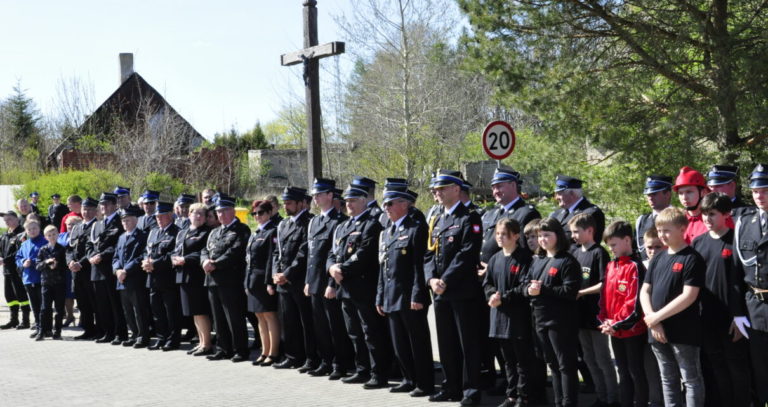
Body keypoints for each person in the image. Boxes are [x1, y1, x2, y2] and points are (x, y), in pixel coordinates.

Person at [423, 169, 484, 405]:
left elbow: (467, 254)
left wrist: (445, 280)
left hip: (461, 291)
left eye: (442, 188)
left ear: (456, 189)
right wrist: (431, 279)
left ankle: (471, 390)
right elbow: (429, 254)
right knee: (446, 342)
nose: (436, 193)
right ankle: (451, 387)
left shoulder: (469, 217)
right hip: (440, 291)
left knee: (467, 343)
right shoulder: (438, 220)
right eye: (435, 189)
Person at [327, 182, 392, 390]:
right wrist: (331, 268)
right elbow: (332, 253)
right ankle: (362, 369)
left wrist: (341, 269)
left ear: (364, 201)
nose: (349, 204)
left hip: (363, 288)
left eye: (353, 200)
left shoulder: (371, 224)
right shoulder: (342, 226)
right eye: (347, 201)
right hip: (345, 288)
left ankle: (378, 373)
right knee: (354, 332)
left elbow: (363, 255)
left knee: (370, 332)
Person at [640, 207, 705, 407]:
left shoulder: (692, 258)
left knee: (690, 379)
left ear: (682, 229)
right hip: (656, 329)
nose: (662, 235)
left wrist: (656, 317)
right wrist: (652, 320)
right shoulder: (658, 257)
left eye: (666, 230)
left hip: (683, 330)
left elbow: (689, 296)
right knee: (667, 378)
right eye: (659, 230)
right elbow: (645, 291)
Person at [692, 192, 751, 407]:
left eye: (713, 214)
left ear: (726, 214)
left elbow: (741, 283)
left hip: (732, 318)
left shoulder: (736, 241)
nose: (707, 219)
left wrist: (739, 316)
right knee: (716, 367)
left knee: (737, 368)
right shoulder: (698, 242)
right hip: (707, 317)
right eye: (704, 214)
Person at [376, 185, 434, 397]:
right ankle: (408, 379)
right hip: (391, 296)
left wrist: (418, 294)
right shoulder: (387, 232)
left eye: (390, 203)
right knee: (399, 343)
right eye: (385, 204)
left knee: (417, 342)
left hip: (410, 297)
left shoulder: (416, 228)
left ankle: (424, 383)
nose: (386, 208)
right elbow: (383, 268)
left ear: (404, 204)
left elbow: (419, 266)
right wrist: (380, 296)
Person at [525, 217, 581, 407]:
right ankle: (558, 402)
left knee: (566, 365)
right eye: (540, 235)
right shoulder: (538, 260)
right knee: (553, 365)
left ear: (558, 235)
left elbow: (570, 291)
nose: (542, 239)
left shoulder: (567, 261)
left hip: (560, 321)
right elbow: (526, 282)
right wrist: (529, 289)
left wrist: (543, 289)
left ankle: (568, 402)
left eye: (547, 235)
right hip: (540, 319)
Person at [304, 179, 354, 378]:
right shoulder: (314, 221)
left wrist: (332, 284)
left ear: (330, 195)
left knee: (335, 327)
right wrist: (308, 281)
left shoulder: (339, 221)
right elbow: (311, 255)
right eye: (314, 195)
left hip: (329, 283)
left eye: (319, 194)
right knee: (320, 326)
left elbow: (336, 255)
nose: (315, 198)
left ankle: (339, 364)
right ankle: (325, 361)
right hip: (315, 281)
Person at [483, 218, 535, 407]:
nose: (500, 237)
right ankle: (511, 395)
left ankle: (524, 396)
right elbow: (487, 282)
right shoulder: (495, 258)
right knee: (508, 360)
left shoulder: (524, 258)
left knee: (522, 359)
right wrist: (491, 295)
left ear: (516, 236)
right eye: (497, 234)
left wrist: (503, 298)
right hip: (499, 317)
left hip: (518, 317)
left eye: (504, 234)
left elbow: (524, 286)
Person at [568, 213, 618, 407]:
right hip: (579, 314)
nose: (573, 236)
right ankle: (601, 396)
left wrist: (582, 292)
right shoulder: (574, 252)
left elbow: (605, 283)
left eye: (576, 232)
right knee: (589, 358)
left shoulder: (599, 253)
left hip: (596, 314)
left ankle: (612, 398)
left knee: (603, 358)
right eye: (571, 232)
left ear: (589, 231)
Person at [599, 221, 649, 407]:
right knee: (622, 372)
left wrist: (616, 323)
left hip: (633, 330)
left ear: (627, 240)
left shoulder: (635, 266)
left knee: (636, 372)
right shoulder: (611, 265)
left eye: (613, 244)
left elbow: (634, 303)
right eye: (609, 245)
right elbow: (604, 297)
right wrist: (605, 320)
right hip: (614, 329)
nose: (611, 249)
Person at [270, 186, 317, 371]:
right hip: (283, 281)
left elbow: (303, 253)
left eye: (289, 203)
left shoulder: (309, 223)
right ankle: (292, 356)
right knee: (288, 321)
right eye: (284, 203)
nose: (285, 206)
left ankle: (311, 358)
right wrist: (276, 273)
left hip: (298, 280)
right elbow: (277, 252)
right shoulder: (284, 224)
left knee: (306, 322)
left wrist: (287, 274)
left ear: (301, 203)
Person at [732, 163, 768, 406]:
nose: (759, 196)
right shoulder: (744, 223)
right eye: (755, 191)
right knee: (760, 370)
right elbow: (735, 272)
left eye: (764, 190)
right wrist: (737, 313)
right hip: (754, 308)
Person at [201, 193, 251, 362]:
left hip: (230, 280)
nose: (220, 215)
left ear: (233, 211)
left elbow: (235, 252)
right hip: (212, 279)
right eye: (218, 212)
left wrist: (215, 264)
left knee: (234, 317)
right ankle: (223, 348)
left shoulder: (241, 229)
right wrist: (204, 261)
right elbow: (205, 250)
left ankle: (240, 350)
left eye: (224, 211)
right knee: (218, 317)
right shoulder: (215, 231)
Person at [173, 203, 214, 356]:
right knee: (194, 312)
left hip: (197, 276)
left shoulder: (207, 232)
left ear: (205, 218)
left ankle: (207, 344)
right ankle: (201, 342)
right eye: (194, 213)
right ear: (189, 215)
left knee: (200, 310)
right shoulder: (182, 232)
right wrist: (174, 259)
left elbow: (203, 253)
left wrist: (185, 259)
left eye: (201, 214)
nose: (197, 216)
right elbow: (176, 250)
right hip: (183, 275)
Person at [243, 200, 280, 365]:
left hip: (264, 281)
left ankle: (274, 352)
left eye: (261, 212)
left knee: (269, 316)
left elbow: (271, 260)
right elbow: (249, 260)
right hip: (253, 280)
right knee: (259, 317)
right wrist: (246, 282)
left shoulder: (272, 232)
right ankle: (264, 351)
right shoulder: (255, 233)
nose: (257, 216)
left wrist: (270, 282)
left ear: (269, 213)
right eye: (254, 213)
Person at [87, 192, 127, 345]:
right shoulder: (97, 224)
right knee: (102, 304)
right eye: (102, 204)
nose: (103, 207)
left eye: (107, 204)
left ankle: (120, 333)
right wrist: (91, 256)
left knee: (114, 303)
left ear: (114, 205)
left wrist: (101, 255)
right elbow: (90, 244)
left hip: (109, 268)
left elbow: (117, 246)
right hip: (96, 268)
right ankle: (107, 332)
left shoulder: (119, 222)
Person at [481, 167, 541, 264]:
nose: (496, 191)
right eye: (493, 187)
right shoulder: (491, 213)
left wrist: (493, 267)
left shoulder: (526, 213)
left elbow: (525, 251)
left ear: (513, 185)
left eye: (499, 186)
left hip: (507, 269)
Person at [142, 201, 181, 351]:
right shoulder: (153, 232)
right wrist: (145, 261)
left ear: (170, 215)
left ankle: (173, 339)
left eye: (162, 216)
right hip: (153, 277)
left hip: (168, 278)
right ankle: (161, 337)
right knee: (157, 311)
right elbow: (146, 251)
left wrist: (155, 264)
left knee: (171, 311)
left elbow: (174, 254)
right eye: (157, 216)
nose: (158, 219)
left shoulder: (177, 232)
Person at [113, 206, 151, 348]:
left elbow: (141, 256)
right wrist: (117, 270)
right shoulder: (121, 237)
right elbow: (116, 257)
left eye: (128, 220)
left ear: (135, 220)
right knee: (127, 310)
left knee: (139, 309)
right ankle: (134, 334)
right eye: (123, 221)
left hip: (135, 278)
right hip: (121, 279)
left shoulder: (142, 236)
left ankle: (143, 336)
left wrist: (126, 270)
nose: (125, 223)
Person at [65, 197, 99, 340]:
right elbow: (69, 249)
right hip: (76, 272)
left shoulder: (98, 226)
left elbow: (95, 249)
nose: (87, 212)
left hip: (89, 270)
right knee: (83, 303)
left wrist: (80, 263)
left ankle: (99, 330)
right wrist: (70, 262)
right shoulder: (77, 227)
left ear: (96, 211)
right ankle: (88, 330)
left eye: (90, 209)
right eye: (85, 209)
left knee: (94, 303)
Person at [548, 175, 605, 246]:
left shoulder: (591, 213)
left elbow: (589, 246)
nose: (556, 198)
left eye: (559, 193)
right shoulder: (557, 213)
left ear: (572, 194)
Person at [34, 225, 68, 340]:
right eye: (49, 235)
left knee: (59, 309)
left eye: (54, 234)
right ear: (45, 237)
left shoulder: (62, 249)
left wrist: (57, 265)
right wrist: (46, 262)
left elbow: (66, 265)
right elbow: (37, 266)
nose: (52, 237)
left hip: (59, 283)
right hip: (46, 283)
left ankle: (57, 331)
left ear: (58, 235)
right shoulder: (43, 249)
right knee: (45, 308)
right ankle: (42, 331)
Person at [16, 219, 47, 337]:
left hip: (41, 278)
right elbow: (18, 257)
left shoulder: (44, 241)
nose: (32, 231)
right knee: (34, 305)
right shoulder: (24, 244)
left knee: (43, 305)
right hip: (28, 278)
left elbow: (47, 257)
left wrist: (33, 262)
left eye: (34, 228)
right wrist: (23, 261)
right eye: (29, 229)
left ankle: (45, 328)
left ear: (39, 229)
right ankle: (38, 326)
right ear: (26, 231)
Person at [0, 211, 31, 329]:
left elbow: (19, 252)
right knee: (9, 296)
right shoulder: (5, 235)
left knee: (21, 295)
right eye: (5, 220)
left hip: (18, 270)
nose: (7, 222)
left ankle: (26, 320)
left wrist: (4, 260)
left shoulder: (22, 234)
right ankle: (14, 320)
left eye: (9, 219)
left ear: (17, 219)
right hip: (7, 270)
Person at [636, 175, 673, 261]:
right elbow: (637, 251)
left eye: (654, 194)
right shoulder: (642, 221)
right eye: (648, 194)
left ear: (667, 194)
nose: (650, 198)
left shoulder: (679, 218)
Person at [672, 166, 711, 243]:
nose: (684, 197)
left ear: (703, 192)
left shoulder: (715, 219)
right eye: (680, 193)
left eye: (689, 192)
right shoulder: (675, 220)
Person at [59, 216, 80, 327]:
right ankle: (70, 316)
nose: (70, 226)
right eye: (69, 224)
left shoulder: (81, 235)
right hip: (63, 270)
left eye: (73, 224)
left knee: (80, 294)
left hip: (77, 268)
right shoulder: (61, 236)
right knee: (67, 295)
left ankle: (83, 317)